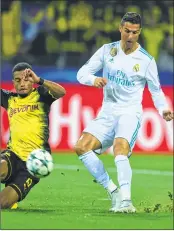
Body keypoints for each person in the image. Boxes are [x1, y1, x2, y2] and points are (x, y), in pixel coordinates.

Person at [74, 12, 173, 213]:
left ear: (139, 33)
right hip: (107, 111)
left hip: (129, 112)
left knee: (120, 148)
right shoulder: (106, 50)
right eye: (127, 31)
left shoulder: (146, 60)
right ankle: (114, 192)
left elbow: (156, 90)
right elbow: (81, 73)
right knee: (81, 147)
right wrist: (93, 80)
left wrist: (163, 108)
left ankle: (127, 202)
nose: (130, 36)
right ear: (120, 28)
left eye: (135, 32)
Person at [0, 62, 66, 209]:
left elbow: (62, 92)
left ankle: (11, 200)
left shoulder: (42, 95)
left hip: (34, 163)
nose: (22, 83)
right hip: (13, 154)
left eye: (26, 79)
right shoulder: (9, 99)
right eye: (18, 80)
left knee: (3, 203)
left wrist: (39, 80)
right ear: (13, 83)